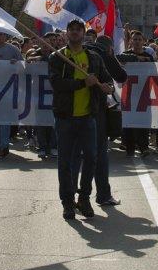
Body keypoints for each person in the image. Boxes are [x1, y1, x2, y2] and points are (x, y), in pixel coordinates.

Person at [49, 19, 114, 220]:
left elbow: (107, 78)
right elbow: (57, 84)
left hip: (88, 117)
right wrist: (82, 83)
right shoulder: (58, 57)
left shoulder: (93, 57)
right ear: (67, 33)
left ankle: (84, 197)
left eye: (79, 30)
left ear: (84, 33)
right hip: (65, 117)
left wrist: (107, 86)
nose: (75, 32)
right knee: (65, 162)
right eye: (72, 29)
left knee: (92, 158)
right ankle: (67, 202)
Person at [90, 34, 127, 206]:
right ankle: (103, 194)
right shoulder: (104, 55)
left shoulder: (82, 52)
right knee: (100, 154)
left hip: (75, 110)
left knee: (76, 156)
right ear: (109, 48)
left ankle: (75, 197)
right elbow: (121, 76)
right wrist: (111, 58)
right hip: (97, 109)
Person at [117, 31, 154, 157]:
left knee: (143, 121)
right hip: (128, 93)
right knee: (129, 121)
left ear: (143, 41)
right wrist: (136, 59)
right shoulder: (125, 54)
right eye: (135, 39)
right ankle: (129, 147)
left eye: (139, 39)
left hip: (144, 93)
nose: (137, 41)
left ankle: (144, 147)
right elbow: (118, 59)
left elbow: (155, 72)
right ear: (131, 41)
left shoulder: (149, 57)